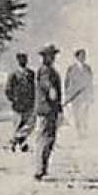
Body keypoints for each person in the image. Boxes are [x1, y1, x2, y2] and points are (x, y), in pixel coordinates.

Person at [32, 44, 63, 180]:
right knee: (45, 139)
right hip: (46, 109)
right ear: (44, 57)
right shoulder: (45, 70)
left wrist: (59, 108)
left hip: (51, 109)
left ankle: (42, 169)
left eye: (53, 55)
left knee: (48, 139)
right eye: (50, 55)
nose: (52, 57)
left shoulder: (50, 70)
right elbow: (46, 84)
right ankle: (40, 169)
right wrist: (51, 90)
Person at [65, 48, 94, 137]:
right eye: (81, 55)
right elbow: (67, 82)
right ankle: (78, 131)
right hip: (75, 95)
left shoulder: (87, 68)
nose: (83, 57)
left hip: (85, 94)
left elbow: (90, 82)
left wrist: (91, 94)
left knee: (85, 113)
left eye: (84, 56)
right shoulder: (71, 68)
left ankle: (85, 130)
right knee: (76, 114)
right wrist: (68, 94)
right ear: (77, 57)